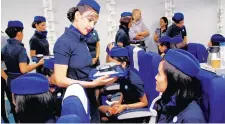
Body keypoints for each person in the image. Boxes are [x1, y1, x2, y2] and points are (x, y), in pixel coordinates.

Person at [53, 0, 118, 122]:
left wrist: (102, 78)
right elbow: (60, 80)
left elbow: (85, 70)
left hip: (89, 96)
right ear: (77, 16)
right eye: (89, 20)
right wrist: (93, 84)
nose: (92, 25)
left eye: (94, 22)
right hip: (77, 99)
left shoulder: (82, 40)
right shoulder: (63, 43)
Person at [1, 20, 44, 122]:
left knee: (14, 107)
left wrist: (6, 78)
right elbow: (23, 69)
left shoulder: (4, 48)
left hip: (10, 82)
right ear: (19, 33)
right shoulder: (20, 49)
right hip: (21, 82)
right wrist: (38, 63)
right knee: (24, 109)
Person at [99, 47, 148, 122]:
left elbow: (144, 102)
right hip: (124, 105)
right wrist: (119, 103)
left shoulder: (134, 80)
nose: (112, 68)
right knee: (100, 111)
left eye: (114, 65)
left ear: (123, 64)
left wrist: (125, 106)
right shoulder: (122, 74)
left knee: (102, 116)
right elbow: (124, 91)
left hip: (133, 111)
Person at [155, 49, 206, 123]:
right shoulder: (169, 100)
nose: (156, 77)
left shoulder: (191, 118)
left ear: (173, 80)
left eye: (159, 74)